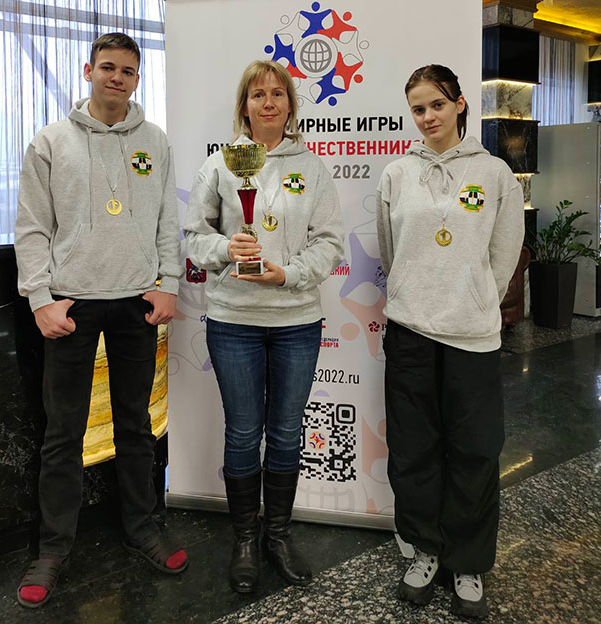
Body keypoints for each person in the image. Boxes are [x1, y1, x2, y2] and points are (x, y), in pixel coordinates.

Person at [14, 33, 187, 608]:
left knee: (136, 426)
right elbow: (32, 226)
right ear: (88, 71)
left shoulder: (154, 141)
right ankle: (53, 548)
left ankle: (142, 527)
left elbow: (167, 220)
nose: (117, 77)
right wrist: (40, 297)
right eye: (108, 67)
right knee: (63, 433)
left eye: (128, 70)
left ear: (138, 79)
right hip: (72, 302)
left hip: (137, 299)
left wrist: (169, 282)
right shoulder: (50, 141)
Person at [184, 60, 344, 593]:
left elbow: (330, 241)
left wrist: (289, 274)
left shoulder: (313, 169)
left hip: (296, 321)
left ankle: (277, 535)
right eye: (258, 94)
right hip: (233, 321)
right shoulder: (220, 165)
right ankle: (245, 540)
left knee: (286, 431)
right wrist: (225, 247)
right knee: (242, 432)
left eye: (278, 94)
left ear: (290, 106)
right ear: (245, 105)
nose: (268, 102)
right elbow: (194, 237)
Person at [376, 64, 524, 619]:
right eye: (418, 109)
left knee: (476, 451)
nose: (427, 117)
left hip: (471, 336)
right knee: (413, 451)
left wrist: (474, 298)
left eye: (437, 104)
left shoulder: (494, 174)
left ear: (460, 104)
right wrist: (416, 292)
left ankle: (467, 562)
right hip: (411, 332)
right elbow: (391, 253)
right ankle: (425, 550)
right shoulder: (397, 174)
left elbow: (504, 255)